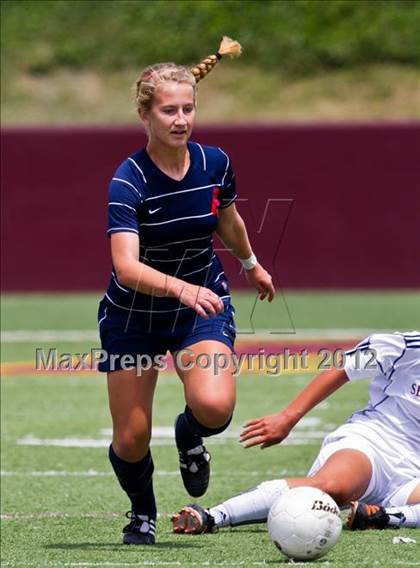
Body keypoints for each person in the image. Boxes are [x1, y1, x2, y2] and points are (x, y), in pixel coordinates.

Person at [96, 36, 275, 545]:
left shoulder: (215, 162)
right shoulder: (127, 181)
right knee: (130, 439)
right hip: (133, 316)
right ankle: (142, 512)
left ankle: (189, 436)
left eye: (188, 109)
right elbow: (126, 266)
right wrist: (178, 288)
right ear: (145, 116)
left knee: (215, 407)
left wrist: (250, 263)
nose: (181, 119)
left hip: (201, 306)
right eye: (169, 110)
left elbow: (228, 218)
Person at [172, 331, 420, 533]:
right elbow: (345, 367)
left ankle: (382, 517)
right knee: (332, 487)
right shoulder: (408, 346)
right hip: (376, 443)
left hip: (414, 474)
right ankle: (215, 516)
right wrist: (288, 417)